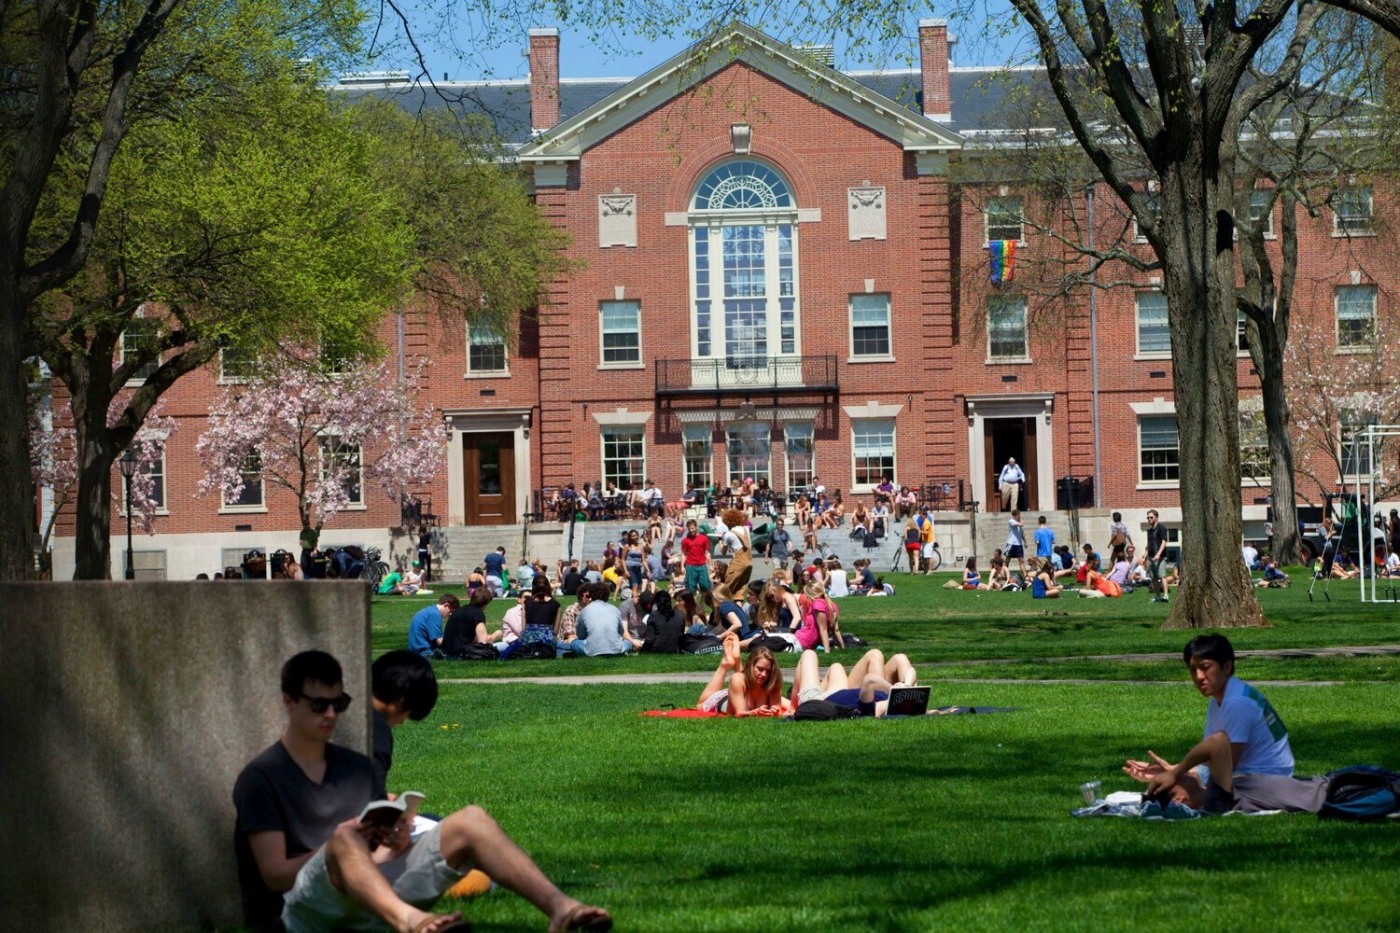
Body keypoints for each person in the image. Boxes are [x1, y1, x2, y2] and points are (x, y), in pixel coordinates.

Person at [233, 650, 611, 933]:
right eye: (318, 705)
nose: (330, 714)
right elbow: (274, 875)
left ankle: (561, 908)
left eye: (339, 704)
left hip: (368, 899)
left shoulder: (358, 768)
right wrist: (336, 845)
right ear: (289, 702)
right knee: (344, 841)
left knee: (471, 821)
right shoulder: (262, 776)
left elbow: (373, 855)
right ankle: (412, 923)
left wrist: (392, 843)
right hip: (302, 912)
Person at [1122, 635, 1326, 814]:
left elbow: (1223, 756)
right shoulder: (1222, 697)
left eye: (1205, 667)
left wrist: (1178, 772)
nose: (1198, 677)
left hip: (1263, 778)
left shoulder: (1237, 702)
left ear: (1226, 667)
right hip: (1248, 776)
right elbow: (1216, 757)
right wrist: (1179, 771)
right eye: (1193, 670)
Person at [788, 648, 919, 717]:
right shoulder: (814, 698)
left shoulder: (839, 694)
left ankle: (917, 700)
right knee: (810, 654)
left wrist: (902, 687)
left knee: (896, 657)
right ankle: (913, 700)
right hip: (824, 700)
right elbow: (870, 680)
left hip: (840, 694)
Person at [696, 637, 789, 716]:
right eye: (760, 669)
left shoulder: (772, 681)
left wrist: (775, 711)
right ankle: (725, 665)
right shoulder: (737, 679)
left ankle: (737, 659)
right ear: (751, 665)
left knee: (742, 680)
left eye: (768, 671)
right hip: (721, 700)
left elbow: (778, 710)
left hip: (739, 691)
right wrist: (755, 712)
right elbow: (740, 713)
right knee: (700, 706)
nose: (764, 674)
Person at [559, 583, 632, 656]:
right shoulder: (615, 609)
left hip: (591, 650)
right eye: (587, 596)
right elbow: (620, 633)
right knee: (628, 643)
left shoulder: (585, 610)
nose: (589, 599)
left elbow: (581, 636)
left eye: (590, 596)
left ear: (592, 595)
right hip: (615, 650)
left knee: (575, 643)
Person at [441, 589, 498, 658]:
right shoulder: (477, 613)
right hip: (461, 653)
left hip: (447, 652)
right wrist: (496, 635)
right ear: (485, 604)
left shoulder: (458, 611)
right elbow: (483, 642)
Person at [680, 519, 712, 594]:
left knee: (705, 586)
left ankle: (701, 603)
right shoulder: (685, 540)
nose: (691, 530)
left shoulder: (704, 538)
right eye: (689, 529)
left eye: (692, 528)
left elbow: (707, 552)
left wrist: (710, 565)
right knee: (691, 587)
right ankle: (693, 604)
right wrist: (682, 566)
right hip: (690, 566)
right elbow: (684, 554)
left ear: (696, 527)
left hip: (702, 565)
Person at [1145, 509, 1170, 603]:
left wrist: (1158, 554)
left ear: (1156, 518)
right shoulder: (1150, 530)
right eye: (1147, 518)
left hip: (1160, 557)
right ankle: (1157, 596)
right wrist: (1145, 554)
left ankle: (1166, 596)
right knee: (1154, 577)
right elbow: (1149, 543)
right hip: (1151, 557)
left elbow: (1164, 541)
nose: (1149, 519)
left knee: (1162, 576)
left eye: (1151, 517)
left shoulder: (1161, 528)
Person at [1005, 509, 1028, 580]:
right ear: (1015, 515)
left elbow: (1022, 533)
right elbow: (1021, 524)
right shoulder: (1011, 521)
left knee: (1021, 560)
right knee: (1007, 559)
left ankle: (1025, 576)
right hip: (1011, 543)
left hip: (1019, 544)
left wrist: (1025, 542)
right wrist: (1021, 520)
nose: (1019, 516)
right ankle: (1005, 574)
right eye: (1018, 515)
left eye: (1019, 515)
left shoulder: (1019, 523)